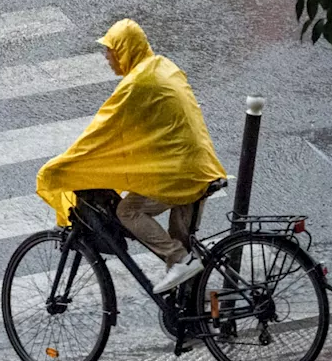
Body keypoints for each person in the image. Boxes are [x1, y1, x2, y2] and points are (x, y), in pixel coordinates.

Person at [36, 18, 227, 293]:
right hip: (199, 164)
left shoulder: (138, 83)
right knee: (182, 245)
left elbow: (104, 129)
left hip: (181, 171)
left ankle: (179, 260)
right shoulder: (161, 66)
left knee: (128, 210)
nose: (106, 57)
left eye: (110, 50)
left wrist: (66, 164)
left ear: (125, 50)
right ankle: (197, 315)